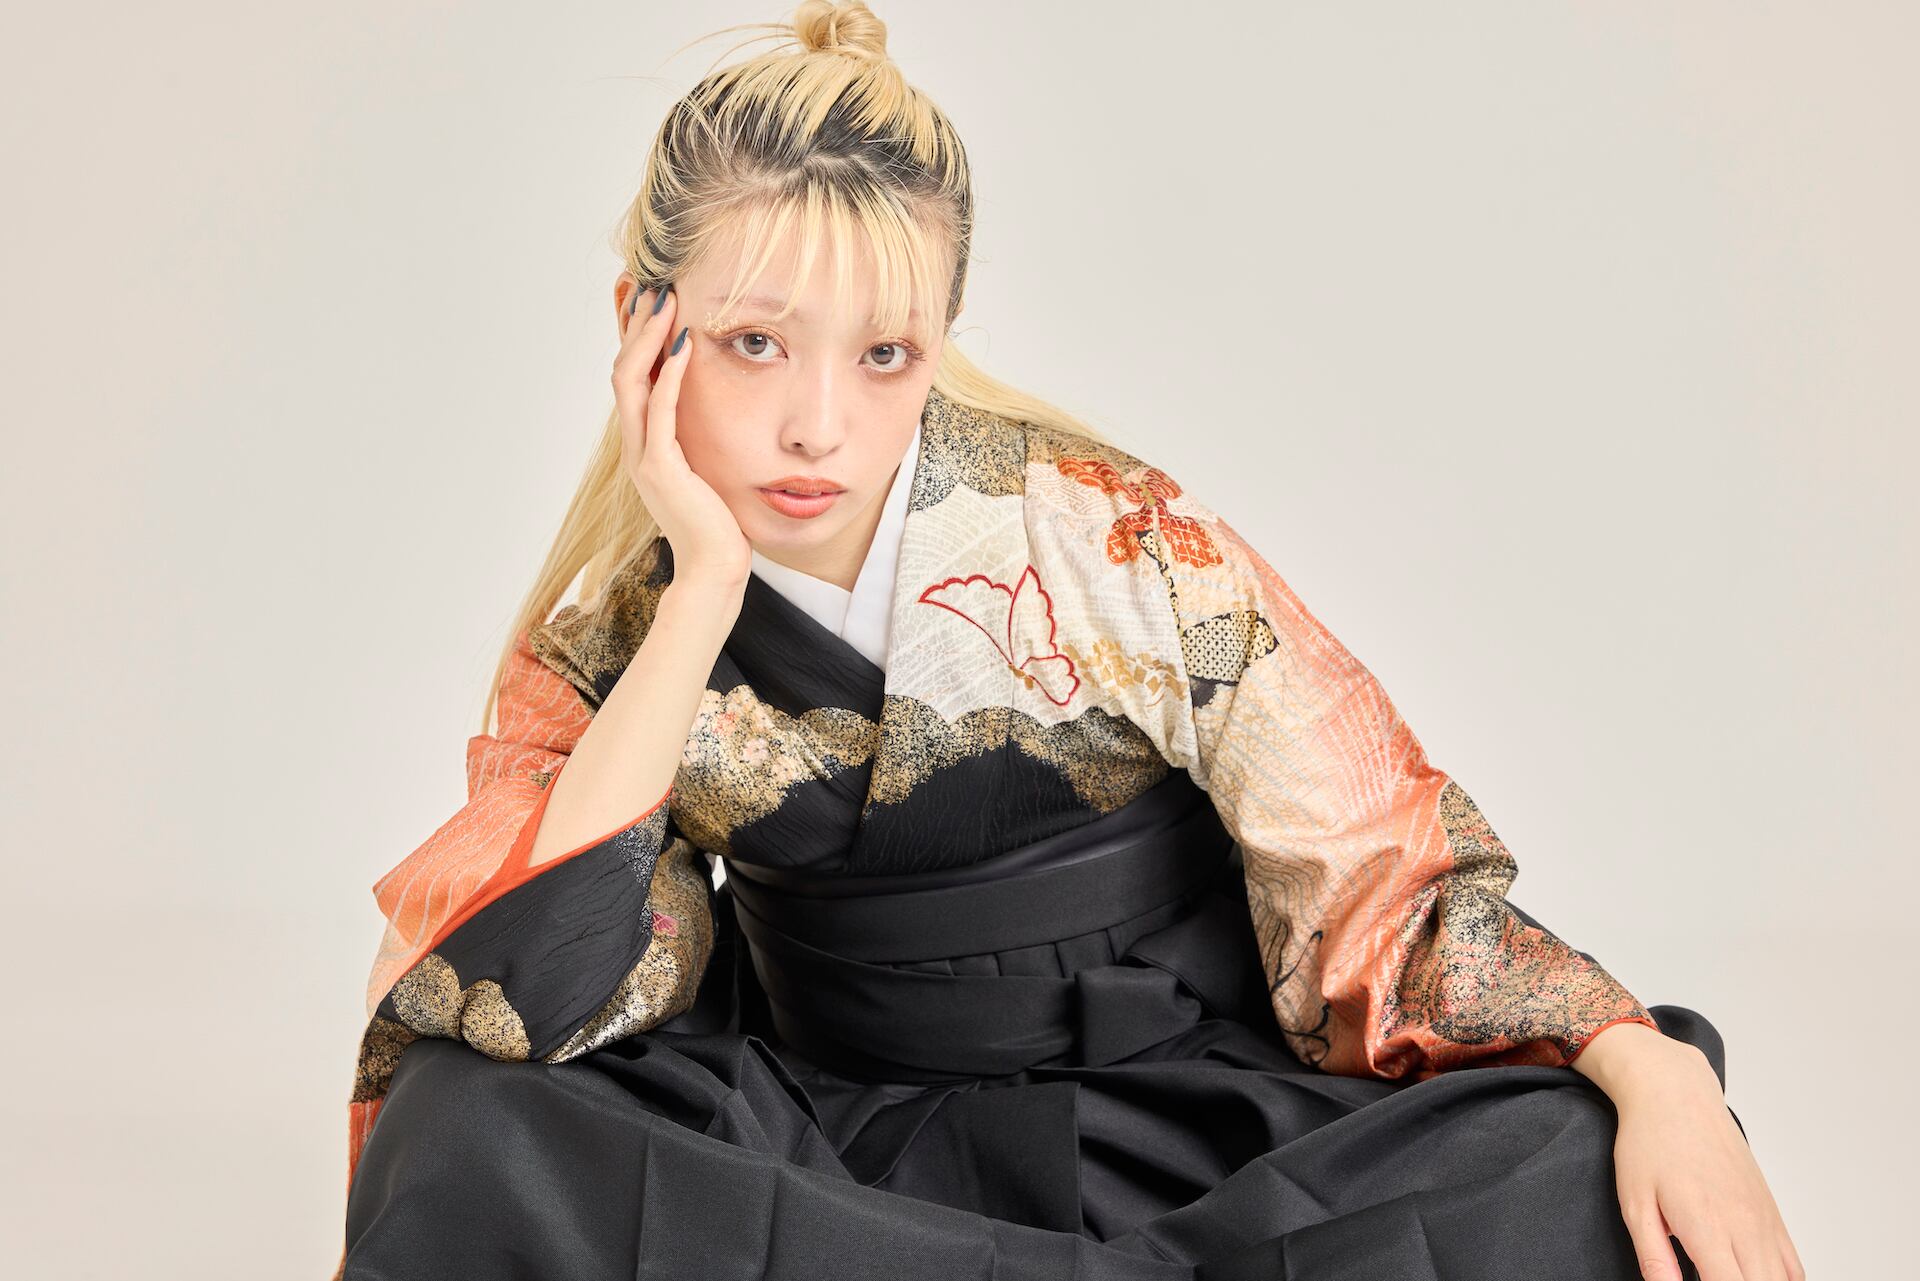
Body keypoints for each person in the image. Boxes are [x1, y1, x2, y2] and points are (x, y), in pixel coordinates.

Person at [334, 5, 1802, 1279]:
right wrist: (703, 592)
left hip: (1186, 1127)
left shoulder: (1111, 537)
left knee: (1565, 1158)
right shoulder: (615, 644)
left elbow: (1378, 882)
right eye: (755, 342)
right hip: (848, 1149)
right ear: (644, 327)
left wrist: (1643, 1067)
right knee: (466, 1125)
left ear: (942, 336)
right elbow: (537, 995)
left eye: (884, 354)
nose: (817, 425)